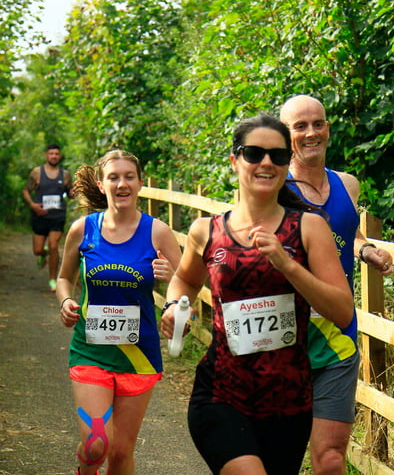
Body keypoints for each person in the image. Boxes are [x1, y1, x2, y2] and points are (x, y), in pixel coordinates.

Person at [160, 113, 354, 475]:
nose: (266, 162)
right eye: (254, 153)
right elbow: (185, 280)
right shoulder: (207, 230)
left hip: (288, 401)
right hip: (221, 393)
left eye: (278, 156)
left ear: (287, 164)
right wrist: (174, 305)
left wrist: (288, 264)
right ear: (235, 160)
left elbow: (343, 312)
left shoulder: (309, 228)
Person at [280, 95, 394, 475]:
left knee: (330, 457)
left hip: (338, 333)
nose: (311, 133)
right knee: (281, 455)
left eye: (318, 123)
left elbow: (350, 233)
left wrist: (367, 251)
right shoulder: (273, 190)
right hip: (285, 337)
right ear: (285, 135)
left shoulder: (347, 185)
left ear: (328, 128)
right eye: (300, 126)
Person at [56, 149, 182, 475]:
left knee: (122, 452)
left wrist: (171, 288)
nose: (121, 183)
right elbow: (63, 278)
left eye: (129, 177)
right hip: (90, 351)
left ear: (140, 183)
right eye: (113, 177)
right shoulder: (83, 229)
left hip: (138, 355)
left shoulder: (158, 232)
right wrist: (66, 301)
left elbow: (186, 285)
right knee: (97, 444)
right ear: (101, 184)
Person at [23, 143, 74, 292]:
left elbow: (70, 192)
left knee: (54, 245)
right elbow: (26, 190)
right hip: (40, 215)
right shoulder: (37, 173)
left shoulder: (65, 175)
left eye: (56, 154)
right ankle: (42, 254)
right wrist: (32, 205)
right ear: (46, 155)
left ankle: (53, 280)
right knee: (37, 250)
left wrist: (74, 192)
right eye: (51, 153)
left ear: (60, 156)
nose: (54, 156)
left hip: (57, 216)